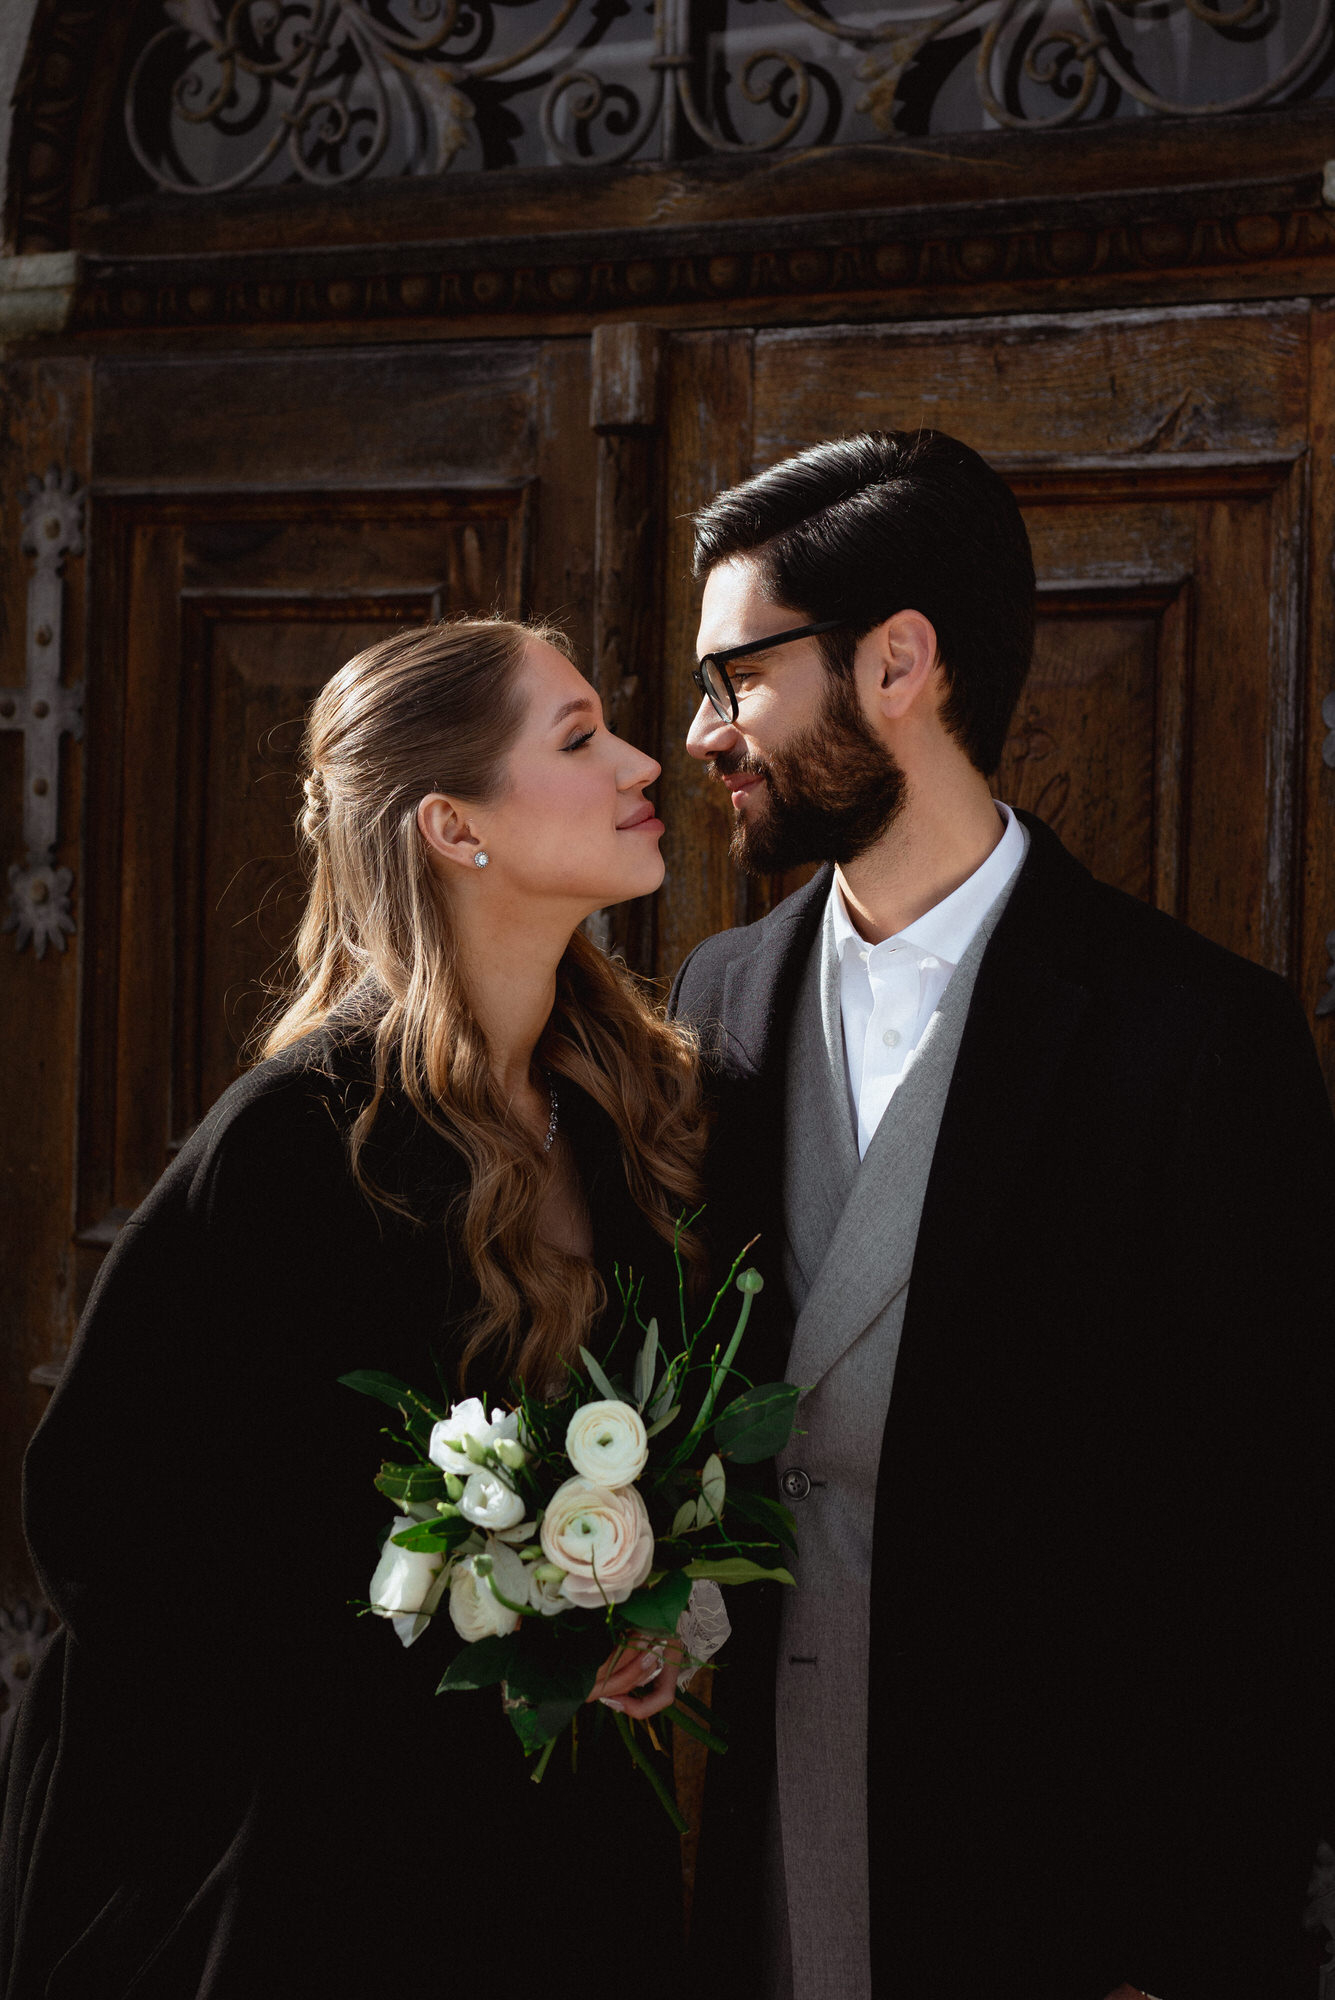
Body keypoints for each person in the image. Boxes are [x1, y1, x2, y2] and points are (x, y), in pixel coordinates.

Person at [670, 430, 1335, 2000]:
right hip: (753, 1835)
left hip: (1057, 1886)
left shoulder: (1195, 1037)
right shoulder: (717, 996)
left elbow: (1281, 1535)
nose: (702, 733)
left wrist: (1183, 1937)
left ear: (898, 661)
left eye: (734, 678)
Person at [0, 618, 705, 1998]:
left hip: (551, 1843)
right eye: (578, 740)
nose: (641, 762)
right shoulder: (297, 1139)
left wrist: (641, 1611)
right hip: (323, 1867)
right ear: (455, 826)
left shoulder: (626, 1106)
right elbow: (102, 1523)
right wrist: (450, 1637)